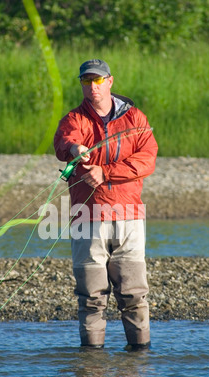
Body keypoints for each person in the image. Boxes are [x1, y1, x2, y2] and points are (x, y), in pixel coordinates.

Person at [54, 59, 158, 350]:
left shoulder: (136, 118)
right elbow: (63, 142)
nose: (92, 87)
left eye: (97, 81)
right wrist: (76, 149)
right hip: (88, 218)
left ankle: (139, 361)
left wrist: (106, 172)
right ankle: (90, 365)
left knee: (134, 296)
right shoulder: (74, 119)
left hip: (129, 218)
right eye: (86, 81)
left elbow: (147, 159)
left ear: (110, 81)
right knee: (91, 298)